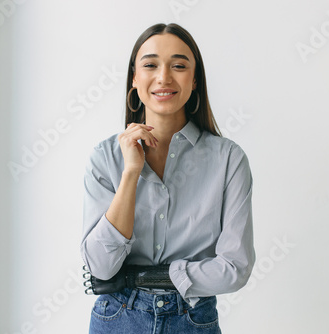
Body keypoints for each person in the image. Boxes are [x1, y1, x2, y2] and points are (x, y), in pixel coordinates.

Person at [80, 23, 255, 333]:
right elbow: (100, 266)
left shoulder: (228, 160)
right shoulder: (104, 158)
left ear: (195, 79)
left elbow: (234, 268)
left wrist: (146, 277)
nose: (164, 77)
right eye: (150, 65)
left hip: (192, 319)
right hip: (116, 318)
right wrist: (131, 173)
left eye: (178, 65)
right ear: (134, 78)